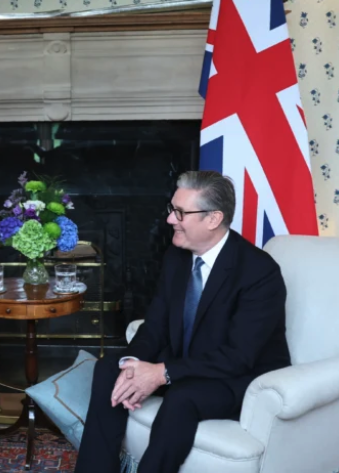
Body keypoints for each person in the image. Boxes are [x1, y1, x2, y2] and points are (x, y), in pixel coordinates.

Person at [74, 170, 291, 473]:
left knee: (182, 397)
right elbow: (156, 326)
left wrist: (162, 373)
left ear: (213, 219)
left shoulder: (258, 272)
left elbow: (239, 357)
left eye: (180, 212)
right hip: (189, 363)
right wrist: (134, 364)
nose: (170, 220)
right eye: (171, 209)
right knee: (109, 368)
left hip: (242, 377)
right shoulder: (176, 258)